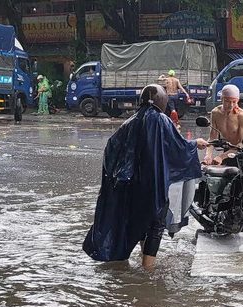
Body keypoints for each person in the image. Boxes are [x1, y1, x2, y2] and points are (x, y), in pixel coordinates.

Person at [83, 84, 208, 270]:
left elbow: (111, 152)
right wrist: (194, 144)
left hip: (130, 186)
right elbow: (177, 147)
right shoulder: (162, 121)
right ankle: (148, 271)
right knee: (155, 225)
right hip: (153, 185)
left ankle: (140, 261)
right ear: (162, 101)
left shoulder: (129, 122)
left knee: (138, 221)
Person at [203, 84, 243, 165]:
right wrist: (208, 155)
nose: (231, 105)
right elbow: (212, 137)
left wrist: (221, 157)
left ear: (238, 100)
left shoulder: (242, 116)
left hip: (240, 152)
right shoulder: (215, 112)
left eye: (234, 102)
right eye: (227, 101)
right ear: (222, 99)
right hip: (227, 150)